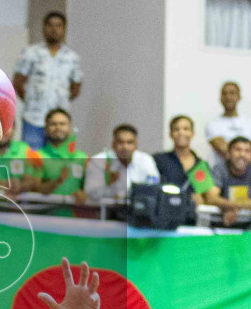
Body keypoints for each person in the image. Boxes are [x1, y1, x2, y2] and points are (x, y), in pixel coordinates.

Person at [14, 11, 83, 149]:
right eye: (50, 25)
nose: (54, 29)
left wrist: (61, 99)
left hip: (59, 120)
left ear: (64, 29)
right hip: (33, 118)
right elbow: (18, 82)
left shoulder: (72, 57)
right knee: (32, 162)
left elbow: (75, 87)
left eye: (58, 26)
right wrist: (31, 99)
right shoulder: (31, 53)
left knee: (59, 162)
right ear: (44, 28)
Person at [156, 115, 242, 223]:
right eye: (176, 129)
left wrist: (228, 207)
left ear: (192, 134)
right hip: (165, 220)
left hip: (192, 221)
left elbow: (210, 197)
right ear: (170, 134)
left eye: (186, 129)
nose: (181, 133)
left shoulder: (200, 165)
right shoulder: (159, 160)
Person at [79, 124, 159, 204]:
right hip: (107, 211)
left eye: (130, 142)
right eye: (120, 142)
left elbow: (154, 189)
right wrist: (109, 185)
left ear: (136, 145)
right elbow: (90, 193)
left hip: (138, 209)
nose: (125, 147)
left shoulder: (146, 160)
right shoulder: (98, 161)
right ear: (113, 144)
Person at [20, 108, 86, 197]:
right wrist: (57, 181)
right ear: (46, 129)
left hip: (73, 211)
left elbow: (90, 190)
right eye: (53, 124)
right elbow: (36, 189)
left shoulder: (82, 158)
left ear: (70, 128)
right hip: (45, 210)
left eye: (62, 124)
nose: (58, 128)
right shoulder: (37, 156)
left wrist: (84, 194)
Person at [204, 81, 251, 167]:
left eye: (232, 93)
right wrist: (247, 152)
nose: (228, 97)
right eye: (224, 94)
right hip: (222, 173)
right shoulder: (212, 124)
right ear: (220, 98)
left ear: (239, 97)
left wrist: (238, 157)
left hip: (250, 173)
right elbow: (222, 149)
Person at [214, 136, 251, 205]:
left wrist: (232, 207)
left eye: (247, 151)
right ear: (229, 153)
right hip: (225, 213)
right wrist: (230, 207)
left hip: (248, 214)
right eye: (238, 150)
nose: (242, 155)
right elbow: (212, 198)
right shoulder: (220, 168)